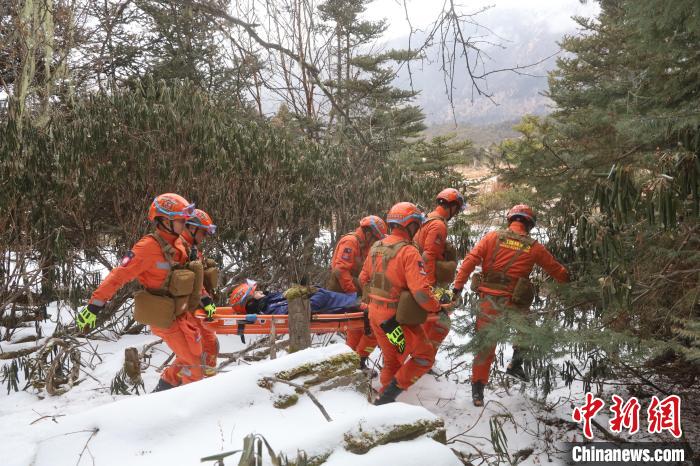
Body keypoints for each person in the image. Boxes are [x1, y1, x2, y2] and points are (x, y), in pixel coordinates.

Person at [76, 193, 207, 392]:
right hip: (164, 315)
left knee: (194, 354)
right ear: (165, 221)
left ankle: (160, 394)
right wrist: (94, 306)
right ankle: (190, 404)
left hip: (181, 312)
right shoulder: (147, 248)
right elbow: (118, 276)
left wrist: (205, 299)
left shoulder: (180, 243)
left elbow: (192, 274)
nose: (185, 223)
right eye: (181, 220)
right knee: (194, 364)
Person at [452, 204, 569, 406]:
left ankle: (478, 392)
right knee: (527, 330)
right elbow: (556, 270)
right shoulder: (534, 247)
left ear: (511, 220)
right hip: (515, 301)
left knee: (486, 345)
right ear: (529, 225)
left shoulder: (492, 237)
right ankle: (515, 363)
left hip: (489, 300)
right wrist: (572, 282)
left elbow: (470, 260)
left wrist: (457, 287)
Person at [359, 202, 451, 405]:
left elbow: (363, 278)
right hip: (395, 320)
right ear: (410, 225)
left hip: (375, 315)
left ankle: (384, 399)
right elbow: (421, 292)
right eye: (416, 225)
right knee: (424, 356)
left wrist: (373, 300)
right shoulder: (409, 252)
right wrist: (437, 308)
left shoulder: (376, 247)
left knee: (392, 360)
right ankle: (387, 397)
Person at [327, 215, 387, 371]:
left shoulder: (364, 245)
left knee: (359, 328)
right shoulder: (351, 242)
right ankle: (357, 360)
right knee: (371, 327)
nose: (375, 242)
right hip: (343, 294)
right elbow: (340, 270)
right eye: (375, 238)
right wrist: (353, 294)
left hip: (354, 294)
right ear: (368, 233)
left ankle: (352, 362)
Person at [413, 188, 466, 360]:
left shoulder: (428, 219)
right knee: (441, 323)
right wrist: (429, 286)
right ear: (452, 206)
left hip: (420, 277)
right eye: (457, 209)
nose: (456, 213)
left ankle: (420, 355)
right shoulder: (438, 225)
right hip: (429, 280)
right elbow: (428, 256)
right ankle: (423, 357)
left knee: (430, 319)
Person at [180, 208, 219, 377]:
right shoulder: (181, 248)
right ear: (191, 227)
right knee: (203, 345)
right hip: (188, 306)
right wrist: (206, 300)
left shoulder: (191, 248)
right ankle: (203, 381)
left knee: (201, 347)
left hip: (193, 304)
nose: (204, 236)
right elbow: (192, 280)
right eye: (203, 232)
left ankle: (201, 378)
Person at [229, 280, 362, 315]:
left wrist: (304, 290)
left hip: (348, 299)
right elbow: (301, 310)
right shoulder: (272, 309)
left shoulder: (270, 300)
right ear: (251, 303)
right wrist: (315, 292)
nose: (260, 291)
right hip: (348, 305)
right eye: (256, 292)